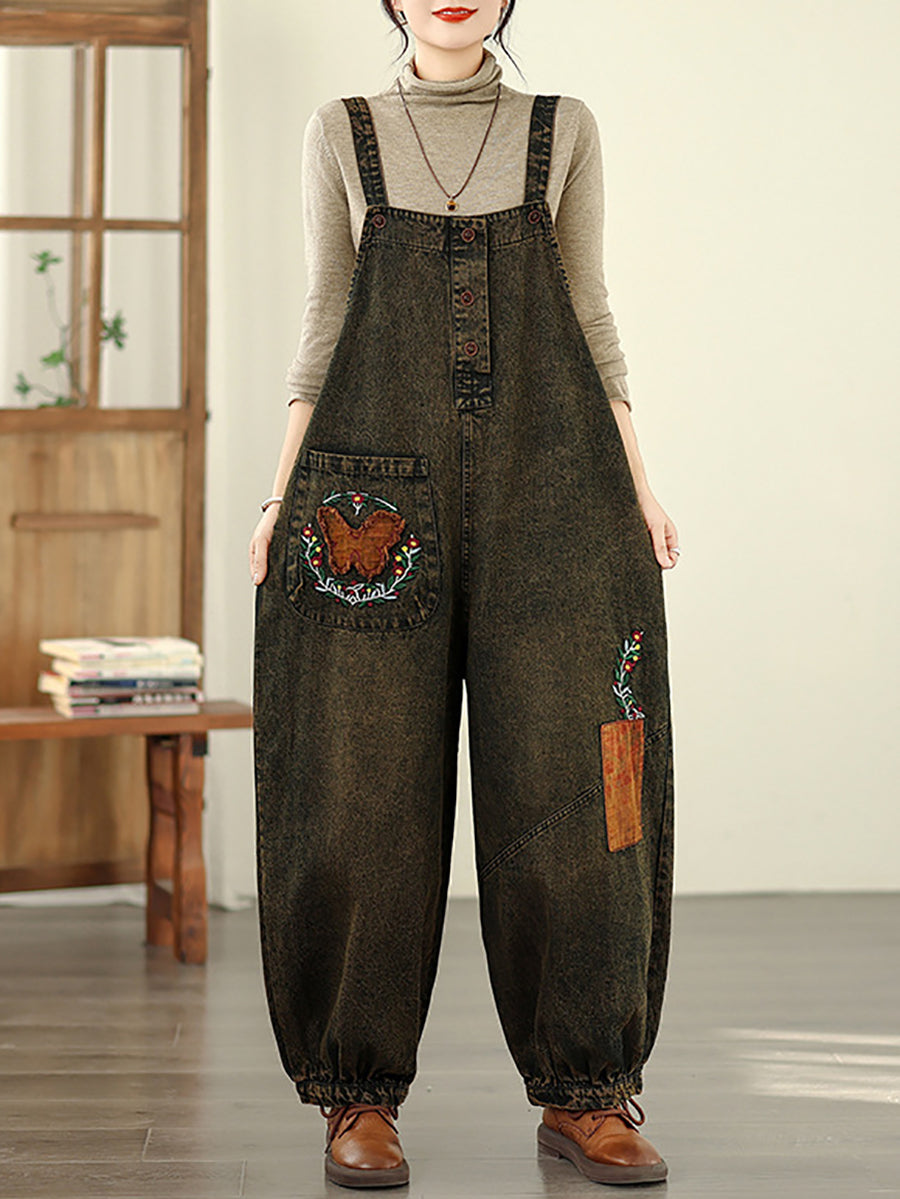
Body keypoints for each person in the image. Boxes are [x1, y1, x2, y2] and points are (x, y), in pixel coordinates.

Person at [250, 0, 680, 1188]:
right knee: (359, 786)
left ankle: (587, 1091)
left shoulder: (563, 128)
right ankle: (356, 1093)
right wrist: (280, 494)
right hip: (365, 495)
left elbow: (589, 313)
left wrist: (639, 483)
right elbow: (326, 320)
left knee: (578, 777)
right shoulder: (342, 129)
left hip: (559, 482)